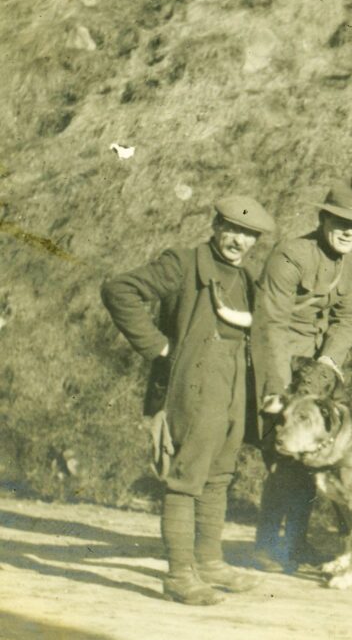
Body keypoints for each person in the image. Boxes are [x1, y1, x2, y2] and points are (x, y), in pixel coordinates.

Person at [101, 196, 275, 605]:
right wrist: (159, 348)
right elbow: (119, 290)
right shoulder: (182, 263)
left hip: (234, 383)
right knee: (186, 476)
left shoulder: (248, 278)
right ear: (215, 226)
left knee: (219, 475)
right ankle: (179, 576)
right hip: (195, 383)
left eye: (249, 234)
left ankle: (209, 563)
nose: (239, 241)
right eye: (232, 229)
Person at [249, 176, 352, 573]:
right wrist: (280, 389)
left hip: (319, 369)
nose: (348, 232)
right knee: (283, 455)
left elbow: (349, 317)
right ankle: (267, 546)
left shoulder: (351, 263)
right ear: (323, 219)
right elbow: (270, 325)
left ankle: (297, 543)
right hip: (279, 361)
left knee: (316, 455)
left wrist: (327, 363)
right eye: (340, 222)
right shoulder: (290, 256)